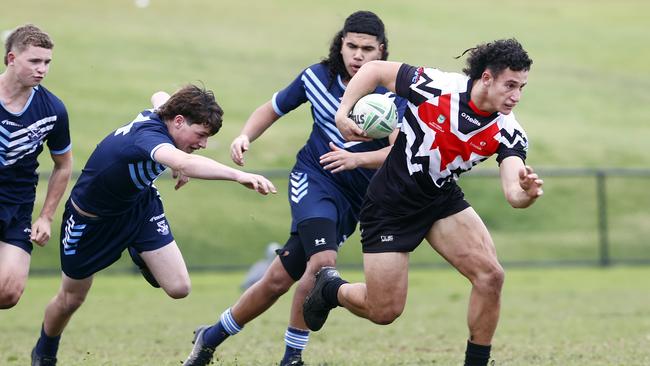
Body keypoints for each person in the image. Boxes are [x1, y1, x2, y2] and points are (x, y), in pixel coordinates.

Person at [182, 10, 406, 366]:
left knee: (277, 280)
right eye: (351, 46)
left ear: (381, 51)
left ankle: (209, 337)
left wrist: (358, 160)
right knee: (322, 264)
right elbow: (273, 108)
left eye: (367, 48)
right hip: (314, 180)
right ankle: (292, 358)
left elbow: (398, 151)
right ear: (341, 44)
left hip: (354, 199)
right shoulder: (317, 78)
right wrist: (245, 135)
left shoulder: (393, 95)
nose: (358, 56)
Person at [303, 38, 544, 366]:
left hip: (439, 201)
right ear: (486, 78)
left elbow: (513, 191)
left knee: (491, 276)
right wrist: (343, 113)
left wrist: (526, 193)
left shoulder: (508, 131)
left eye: (522, 87)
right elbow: (374, 70)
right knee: (384, 311)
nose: (516, 96)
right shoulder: (436, 86)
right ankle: (331, 289)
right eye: (510, 85)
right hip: (390, 204)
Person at [29, 84, 276, 366]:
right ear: (180, 122)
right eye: (202, 135)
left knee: (179, 287)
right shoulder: (148, 137)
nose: (203, 144)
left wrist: (176, 163)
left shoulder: (167, 113)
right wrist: (236, 175)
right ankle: (45, 350)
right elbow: (185, 161)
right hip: (90, 222)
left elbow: (159, 95)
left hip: (138, 206)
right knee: (71, 299)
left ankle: (138, 249)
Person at [0, 24, 72, 309]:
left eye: (47, 62)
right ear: (11, 59)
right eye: (35, 61)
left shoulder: (53, 110)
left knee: (9, 294)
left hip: (17, 207)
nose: (42, 69)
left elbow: (63, 165)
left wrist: (45, 217)